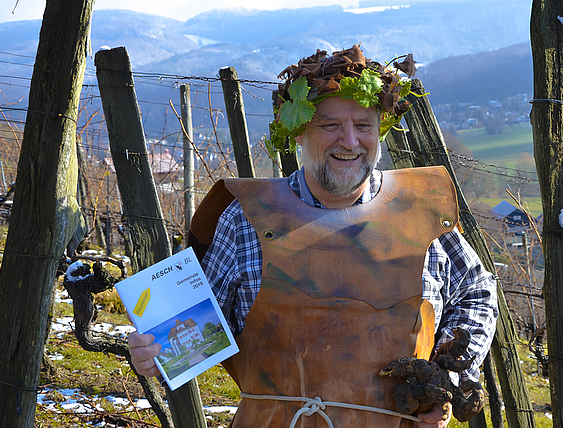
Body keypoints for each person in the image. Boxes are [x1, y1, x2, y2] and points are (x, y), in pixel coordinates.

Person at [128, 45, 498, 428]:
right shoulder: (247, 217)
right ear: (300, 130)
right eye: (330, 125)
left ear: (380, 132)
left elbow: (477, 290)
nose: (350, 141)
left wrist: (442, 378)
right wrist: (154, 349)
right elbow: (181, 329)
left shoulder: (420, 214)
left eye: (364, 125)